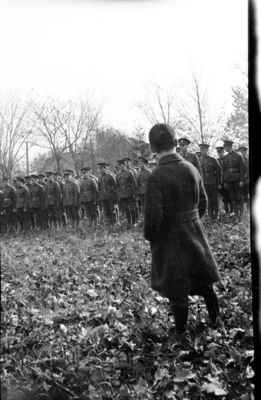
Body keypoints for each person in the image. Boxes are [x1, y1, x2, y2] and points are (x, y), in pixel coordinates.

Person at [144, 123, 222, 343]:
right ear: (175, 143)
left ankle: (181, 333)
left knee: (177, 288)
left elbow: (153, 218)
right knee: (203, 281)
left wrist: (152, 236)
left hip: (170, 239)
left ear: (153, 147)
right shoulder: (191, 168)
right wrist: (192, 222)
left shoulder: (156, 176)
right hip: (194, 233)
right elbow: (204, 203)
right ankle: (216, 320)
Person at [221, 138, 245, 220]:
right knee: (232, 198)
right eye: (225, 147)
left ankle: (240, 215)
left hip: (237, 180)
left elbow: (242, 169)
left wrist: (241, 180)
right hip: (229, 181)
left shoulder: (238, 156)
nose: (225, 149)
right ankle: (235, 214)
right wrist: (224, 181)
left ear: (230, 146)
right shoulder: (225, 157)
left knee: (239, 198)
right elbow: (223, 170)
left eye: (226, 147)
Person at [198, 143, 222, 220]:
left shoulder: (213, 160)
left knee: (214, 199)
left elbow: (219, 171)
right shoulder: (199, 160)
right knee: (207, 200)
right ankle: (210, 214)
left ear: (207, 150)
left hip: (213, 183)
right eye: (201, 149)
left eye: (204, 149)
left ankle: (216, 214)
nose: (203, 151)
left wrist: (218, 182)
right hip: (204, 183)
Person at [116, 158, 137, 227]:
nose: (121, 167)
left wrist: (134, 193)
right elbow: (118, 186)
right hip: (122, 195)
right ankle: (129, 222)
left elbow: (134, 184)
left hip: (130, 194)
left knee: (132, 208)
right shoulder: (118, 175)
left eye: (122, 165)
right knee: (126, 209)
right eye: (119, 165)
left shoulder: (129, 173)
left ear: (125, 165)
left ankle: (134, 222)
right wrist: (119, 194)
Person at [97, 162, 118, 226]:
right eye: (99, 169)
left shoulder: (111, 176)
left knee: (113, 211)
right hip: (103, 197)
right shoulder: (100, 177)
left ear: (105, 168)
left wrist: (115, 199)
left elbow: (115, 187)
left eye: (101, 168)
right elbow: (99, 188)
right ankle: (108, 224)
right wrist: (100, 197)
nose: (100, 170)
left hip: (111, 197)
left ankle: (115, 223)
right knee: (106, 211)